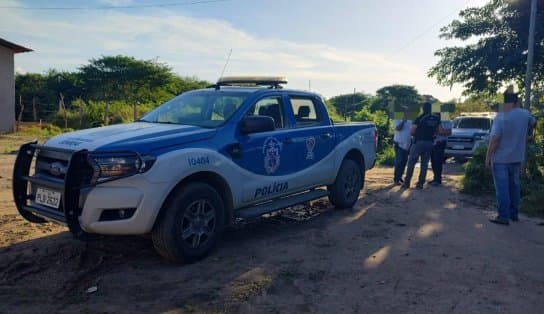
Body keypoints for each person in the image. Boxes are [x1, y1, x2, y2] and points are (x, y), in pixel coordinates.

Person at [485, 90, 537, 225]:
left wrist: (488, 157)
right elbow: (534, 122)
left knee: (502, 188)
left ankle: (503, 216)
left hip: (501, 158)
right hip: (517, 158)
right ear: (516, 102)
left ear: (505, 103)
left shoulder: (501, 116)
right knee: (514, 186)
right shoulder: (525, 114)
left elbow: (495, 139)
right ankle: (514, 214)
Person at [403, 102, 444, 189]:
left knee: (411, 162)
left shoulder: (419, 118)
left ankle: (407, 183)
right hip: (430, 143)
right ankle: (420, 184)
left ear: (423, 109)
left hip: (418, 142)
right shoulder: (436, 119)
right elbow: (440, 131)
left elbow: (412, 131)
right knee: (424, 164)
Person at [429, 113, 452, 186]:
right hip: (432, 143)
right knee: (433, 162)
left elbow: (449, 132)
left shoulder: (446, 119)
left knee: (438, 162)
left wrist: (439, 131)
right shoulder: (433, 118)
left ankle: (438, 180)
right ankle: (435, 178)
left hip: (440, 142)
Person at [393, 108, 412, 185]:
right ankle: (396, 179)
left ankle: (400, 177)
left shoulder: (410, 120)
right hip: (399, 143)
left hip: (407, 144)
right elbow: (398, 128)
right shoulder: (397, 118)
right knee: (399, 162)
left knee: (404, 162)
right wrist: (403, 121)